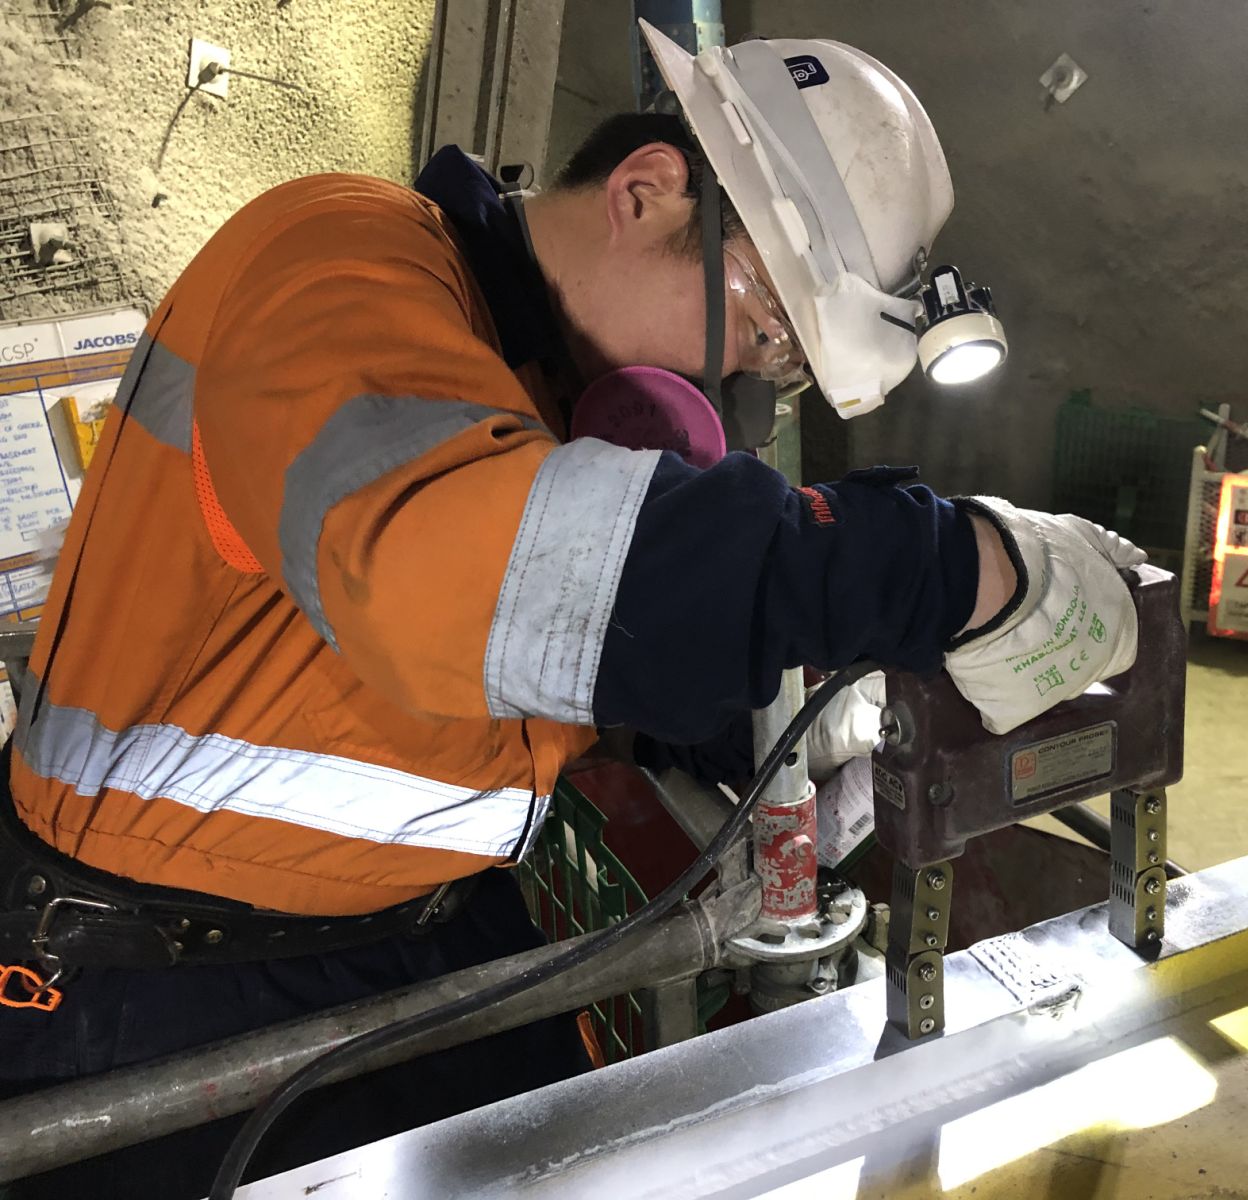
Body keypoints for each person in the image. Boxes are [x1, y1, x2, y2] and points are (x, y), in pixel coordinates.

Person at [0, 23, 1143, 1197]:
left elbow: (525, 655)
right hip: (153, 984)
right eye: (759, 330)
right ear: (644, 193)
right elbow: (455, 579)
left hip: (412, 931)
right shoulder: (338, 257)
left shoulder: (533, 386)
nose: (736, 392)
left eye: (780, 369)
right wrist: (951, 564)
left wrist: (756, 731)